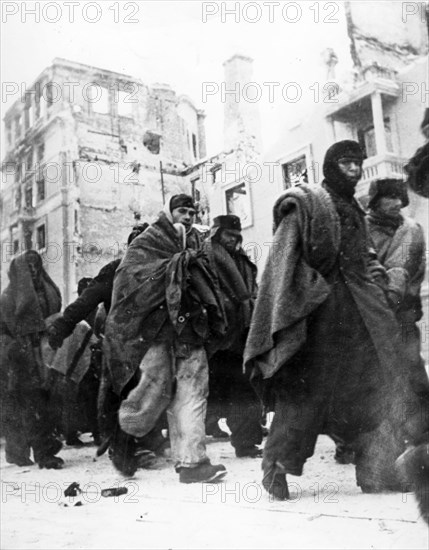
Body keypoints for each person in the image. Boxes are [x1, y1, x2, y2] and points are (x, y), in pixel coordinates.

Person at [244, 140, 429, 499]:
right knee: (305, 393)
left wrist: (385, 289)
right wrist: (307, 298)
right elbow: (284, 263)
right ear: (331, 166)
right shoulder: (308, 204)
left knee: (370, 390)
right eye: (346, 162)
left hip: (363, 318)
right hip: (322, 318)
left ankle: (374, 472)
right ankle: (276, 468)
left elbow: (366, 258)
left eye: (358, 163)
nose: (355, 169)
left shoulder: (355, 211)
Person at [104, 194, 228, 483]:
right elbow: (129, 280)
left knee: (194, 391)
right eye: (182, 211)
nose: (188, 216)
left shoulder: (198, 245)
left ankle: (192, 463)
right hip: (157, 330)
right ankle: (124, 436)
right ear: (169, 213)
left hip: (189, 329)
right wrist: (175, 266)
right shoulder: (148, 241)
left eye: (192, 212)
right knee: (154, 392)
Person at [47, 223, 165, 467]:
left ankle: (146, 442)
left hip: (151, 343)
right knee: (124, 394)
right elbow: (86, 302)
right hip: (122, 344)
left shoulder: (161, 271)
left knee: (150, 392)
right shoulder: (113, 271)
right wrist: (62, 326)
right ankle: (124, 448)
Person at [203, 215, 263, 457]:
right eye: (229, 235)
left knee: (243, 388)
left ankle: (246, 442)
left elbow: (251, 289)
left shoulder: (240, 258)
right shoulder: (208, 255)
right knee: (216, 391)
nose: (233, 240)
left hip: (240, 333)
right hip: (219, 335)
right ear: (218, 233)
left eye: (237, 236)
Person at [0, 250, 64, 469]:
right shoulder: (8, 297)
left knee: (45, 401)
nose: (34, 271)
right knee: (27, 405)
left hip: (46, 353)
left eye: (37, 266)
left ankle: (44, 448)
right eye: (29, 267)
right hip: (20, 359)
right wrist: (15, 347)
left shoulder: (48, 292)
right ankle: (33, 453)